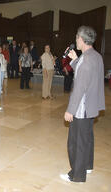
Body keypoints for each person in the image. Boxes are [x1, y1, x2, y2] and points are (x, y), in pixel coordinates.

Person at [61, 26, 105, 183]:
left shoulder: (85, 61)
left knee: (75, 142)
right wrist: (75, 60)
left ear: (81, 39)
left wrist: (70, 110)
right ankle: (87, 166)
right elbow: (84, 70)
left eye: (76, 38)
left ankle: (77, 175)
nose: (75, 40)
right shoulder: (95, 56)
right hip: (92, 106)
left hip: (82, 108)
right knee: (87, 138)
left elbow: (79, 88)